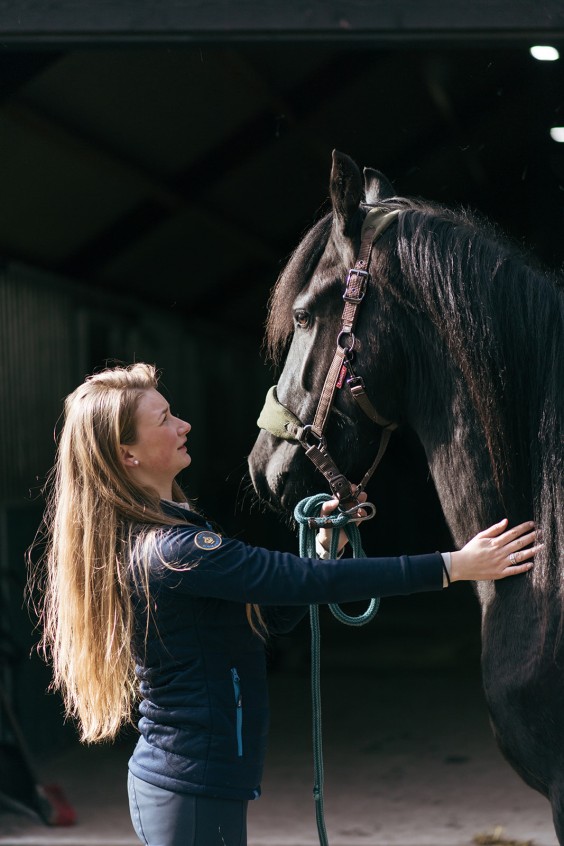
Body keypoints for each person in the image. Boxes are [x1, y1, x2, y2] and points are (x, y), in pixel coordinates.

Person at [33, 362, 539, 846]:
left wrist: (321, 552)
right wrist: (454, 565)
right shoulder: (175, 551)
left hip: (198, 781)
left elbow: (269, 614)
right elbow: (290, 580)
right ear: (128, 455)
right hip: (191, 785)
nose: (183, 425)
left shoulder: (175, 534)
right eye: (164, 419)